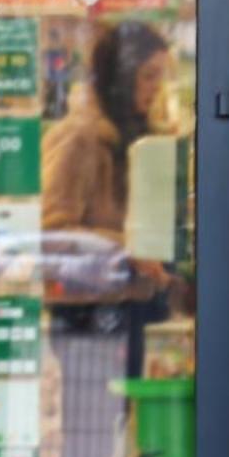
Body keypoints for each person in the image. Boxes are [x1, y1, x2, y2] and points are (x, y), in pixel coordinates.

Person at [41, 20, 174, 286]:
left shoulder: (130, 137)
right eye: (148, 76)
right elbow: (50, 232)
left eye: (160, 76)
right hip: (86, 302)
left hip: (124, 293)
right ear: (121, 79)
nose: (157, 87)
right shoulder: (79, 138)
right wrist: (127, 249)